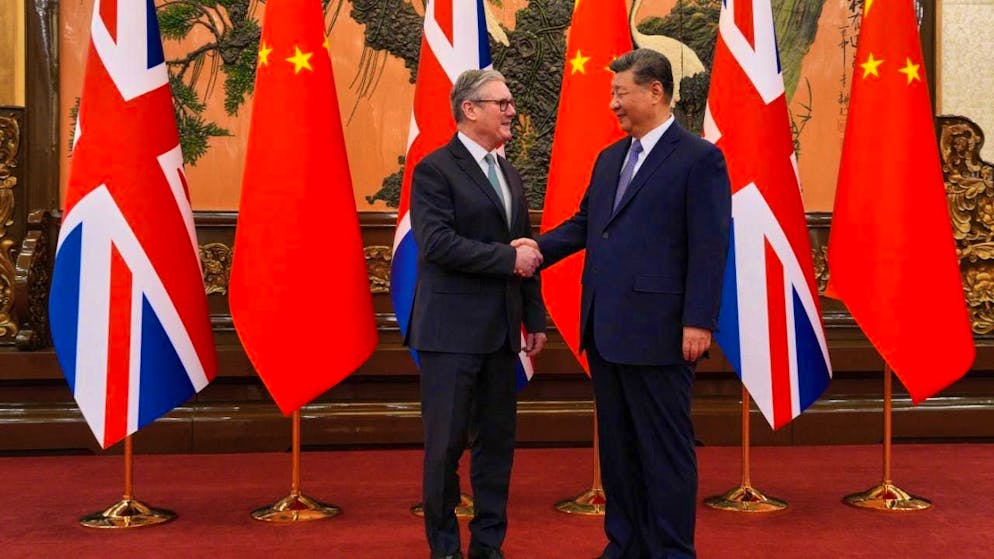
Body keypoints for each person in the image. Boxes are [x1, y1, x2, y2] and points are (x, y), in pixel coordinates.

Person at [515, 49, 731, 558]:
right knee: (619, 453)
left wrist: (698, 320)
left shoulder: (699, 158)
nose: (612, 103)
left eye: (621, 92)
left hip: (662, 332)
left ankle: (672, 551)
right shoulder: (611, 157)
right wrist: (531, 250)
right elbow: (586, 226)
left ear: (655, 91)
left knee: (665, 453)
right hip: (607, 330)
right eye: (612, 93)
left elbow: (709, 245)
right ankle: (625, 546)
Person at [408, 68, 548, 559]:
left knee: (496, 450)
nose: (512, 111)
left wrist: (536, 318)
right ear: (469, 109)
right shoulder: (434, 169)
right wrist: (507, 259)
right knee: (445, 449)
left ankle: (489, 547)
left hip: (502, 334)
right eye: (502, 103)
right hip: (449, 335)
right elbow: (438, 244)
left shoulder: (509, 172)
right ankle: (444, 548)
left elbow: (527, 246)